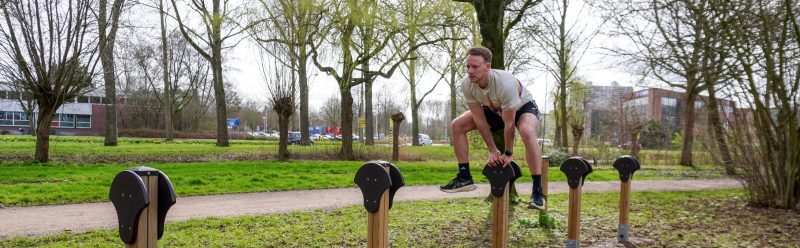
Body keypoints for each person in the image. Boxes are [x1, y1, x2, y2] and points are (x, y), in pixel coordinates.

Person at [440, 46, 546, 210]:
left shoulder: (505, 84)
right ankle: (464, 176)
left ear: (487, 67)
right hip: (494, 109)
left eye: (475, 67)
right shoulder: (467, 84)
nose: (470, 71)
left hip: (522, 108)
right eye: (468, 66)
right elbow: (479, 119)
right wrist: (492, 150)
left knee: (526, 131)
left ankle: (537, 191)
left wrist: (508, 153)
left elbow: (509, 123)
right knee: (457, 125)